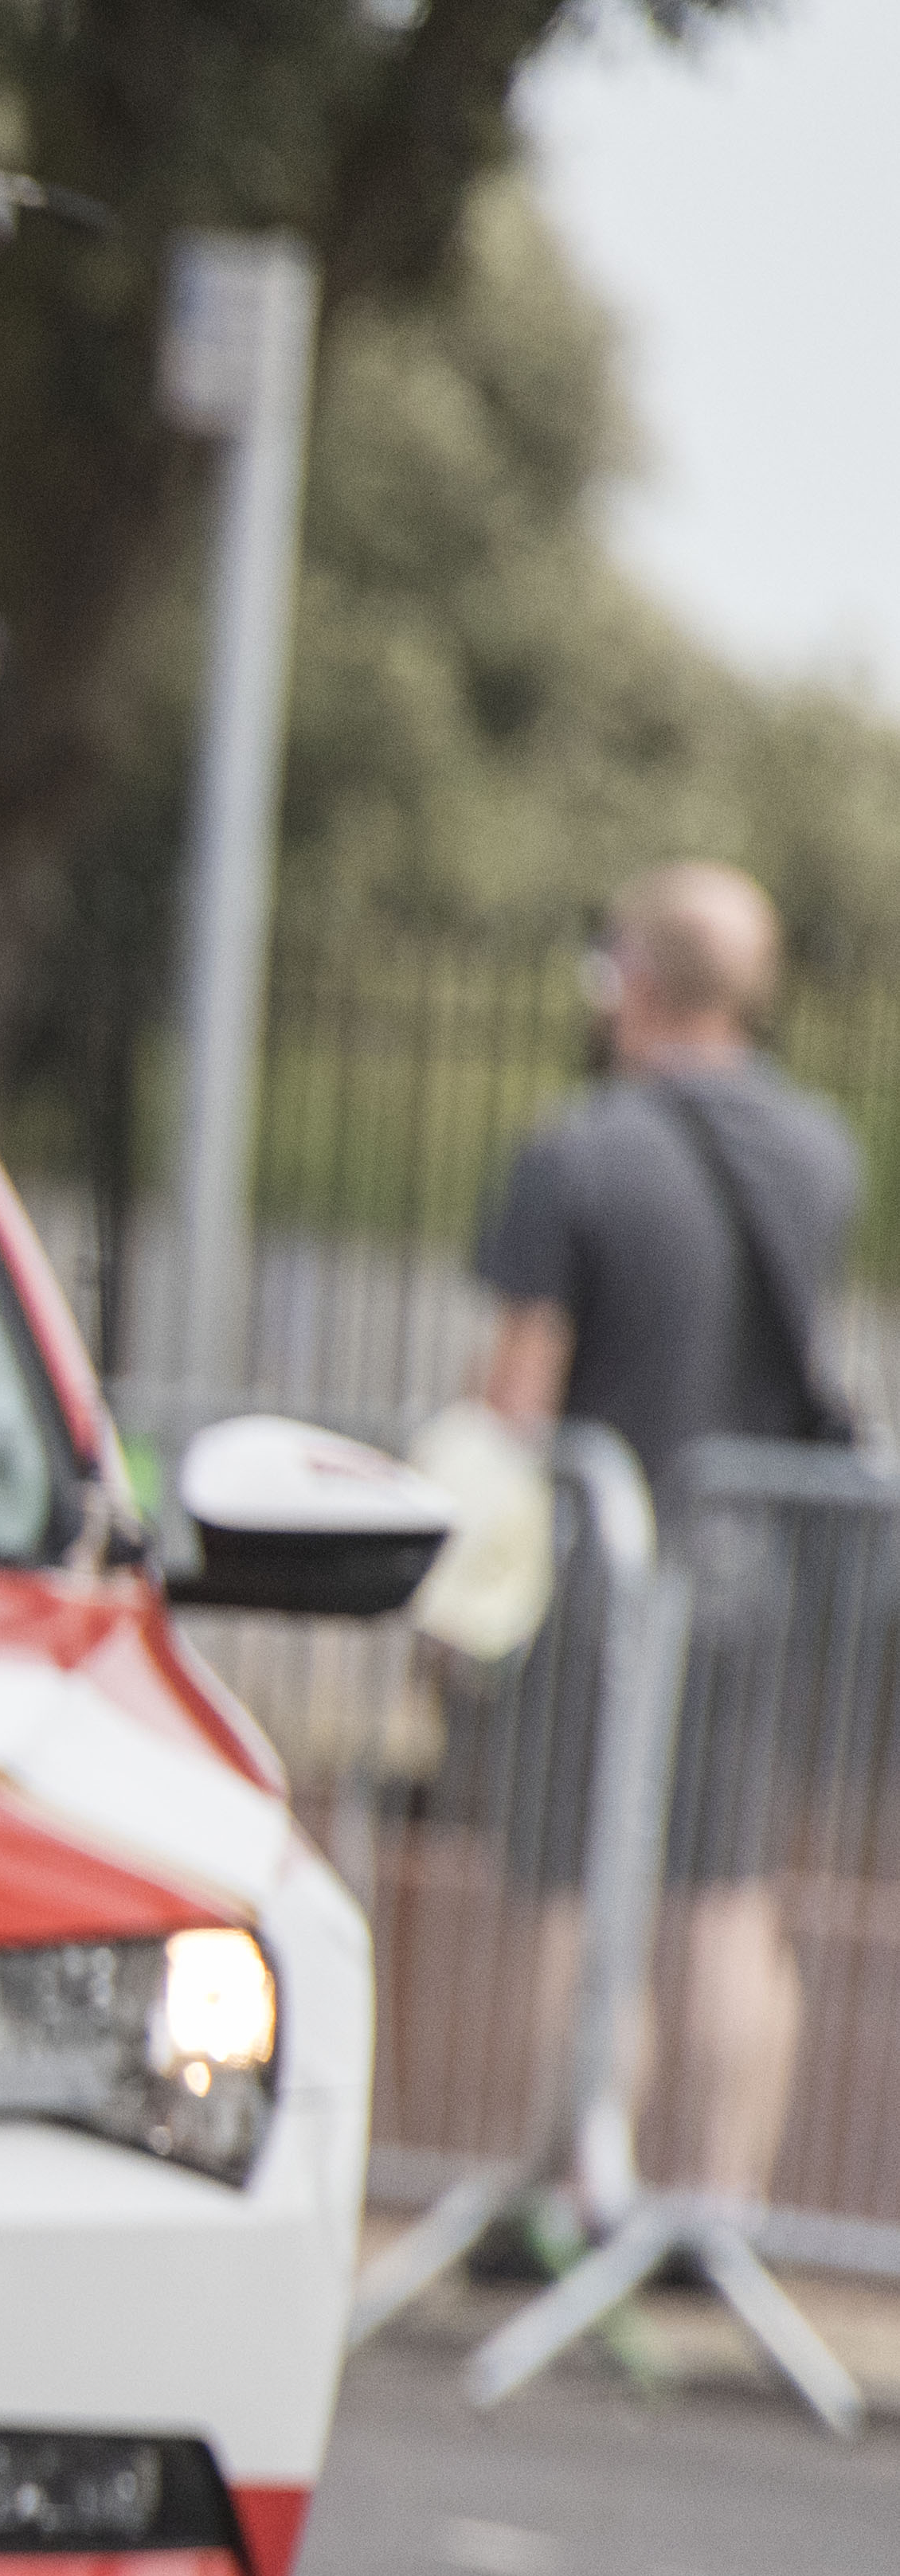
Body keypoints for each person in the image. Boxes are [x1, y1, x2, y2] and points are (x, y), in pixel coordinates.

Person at [469, 858, 868, 2207]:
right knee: (725, 1891)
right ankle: (717, 2206)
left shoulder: (578, 1148)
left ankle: (568, 2194)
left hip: (600, 1571)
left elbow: (517, 1391)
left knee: (572, 1892)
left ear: (631, 975)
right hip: (753, 1573)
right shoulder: (819, 1152)